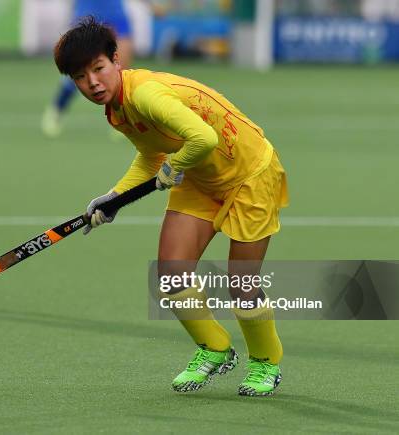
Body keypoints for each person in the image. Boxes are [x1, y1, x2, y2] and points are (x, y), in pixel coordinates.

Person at [53, 17, 288, 396]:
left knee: (241, 283)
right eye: (80, 77)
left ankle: (266, 362)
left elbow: (204, 138)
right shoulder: (117, 110)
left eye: (98, 69)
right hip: (200, 174)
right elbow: (151, 156)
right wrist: (113, 197)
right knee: (172, 273)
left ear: (116, 60)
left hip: (249, 172)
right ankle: (214, 349)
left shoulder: (145, 94)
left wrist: (174, 168)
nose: (92, 83)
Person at [41, 0, 134, 138]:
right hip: (87, 13)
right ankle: (57, 110)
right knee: (80, 70)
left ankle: (121, 118)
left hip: (116, 15)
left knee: (120, 70)